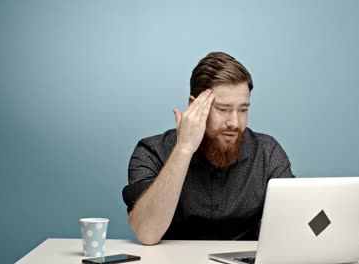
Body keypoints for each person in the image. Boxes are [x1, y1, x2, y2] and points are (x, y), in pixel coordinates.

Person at [122, 52, 294, 245]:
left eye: (243, 109)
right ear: (194, 106)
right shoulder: (151, 152)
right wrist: (184, 149)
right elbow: (147, 233)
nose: (235, 123)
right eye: (222, 109)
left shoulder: (267, 153)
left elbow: (295, 222)